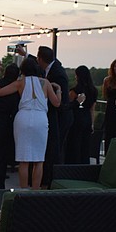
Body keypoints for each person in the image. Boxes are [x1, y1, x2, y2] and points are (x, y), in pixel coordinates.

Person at [0, 57, 62, 189]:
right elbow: (57, 103)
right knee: (39, 160)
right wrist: (58, 90)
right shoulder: (45, 83)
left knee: (23, 160)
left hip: (23, 117)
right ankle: (35, 191)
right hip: (40, 118)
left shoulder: (20, 82)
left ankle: (23, 190)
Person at [35, 46, 71, 186]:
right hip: (54, 116)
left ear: (41, 59)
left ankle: (52, 179)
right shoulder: (52, 67)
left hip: (60, 117)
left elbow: (59, 102)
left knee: (54, 150)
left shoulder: (58, 74)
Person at [65, 65, 98, 164]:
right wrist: (92, 123)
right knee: (85, 147)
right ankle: (84, 168)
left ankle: (73, 167)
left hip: (76, 119)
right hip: (87, 119)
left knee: (74, 146)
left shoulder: (74, 91)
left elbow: (68, 106)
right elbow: (92, 109)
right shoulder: (93, 91)